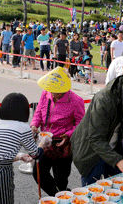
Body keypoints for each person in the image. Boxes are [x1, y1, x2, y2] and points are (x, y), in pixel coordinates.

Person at [0, 93, 52, 204]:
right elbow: (36, 154)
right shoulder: (23, 127)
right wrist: (43, 142)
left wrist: (20, 156)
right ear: (24, 112)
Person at [30, 67, 85, 196]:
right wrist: (34, 125)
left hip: (63, 145)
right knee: (38, 172)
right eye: (51, 91)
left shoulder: (76, 101)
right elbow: (38, 112)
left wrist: (69, 135)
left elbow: (80, 124)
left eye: (57, 92)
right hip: (45, 142)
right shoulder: (46, 93)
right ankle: (59, 195)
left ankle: (60, 195)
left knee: (61, 180)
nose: (53, 94)